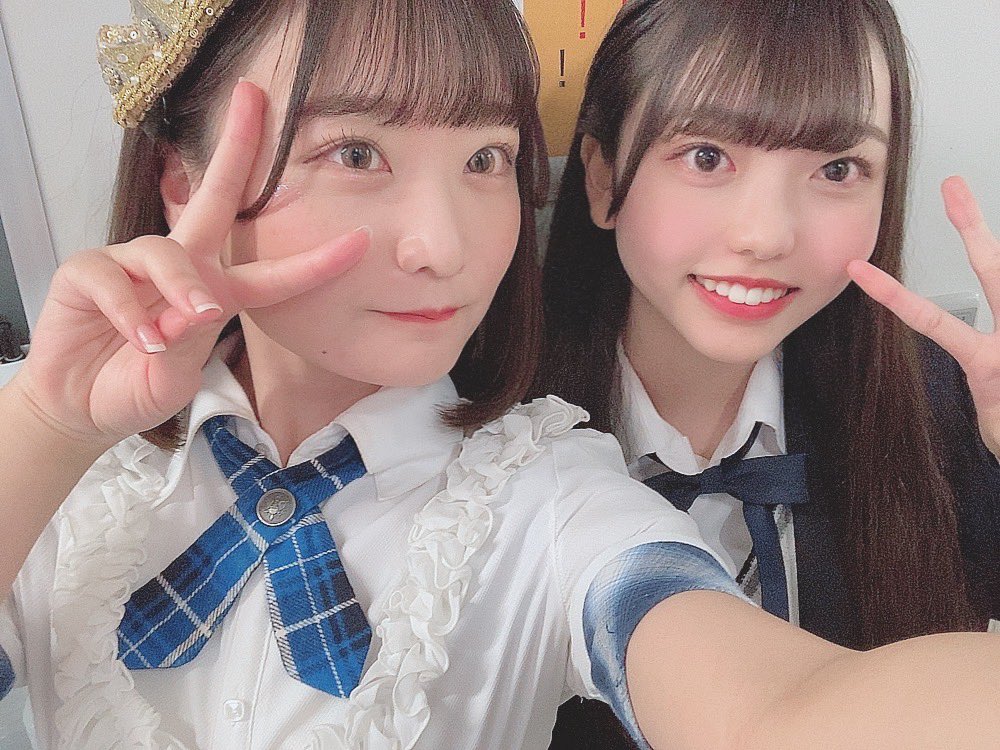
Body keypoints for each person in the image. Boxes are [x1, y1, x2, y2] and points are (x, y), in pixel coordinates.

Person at [1, 0, 1000, 749]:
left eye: (486, 159)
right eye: (357, 152)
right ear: (183, 181)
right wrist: (47, 428)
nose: (443, 246)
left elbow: (775, 710)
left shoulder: (542, 491)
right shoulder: (54, 443)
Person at [536, 0, 1000, 746]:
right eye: (706, 157)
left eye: (837, 169)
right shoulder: (482, 442)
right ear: (602, 177)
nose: (766, 235)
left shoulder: (946, 409)